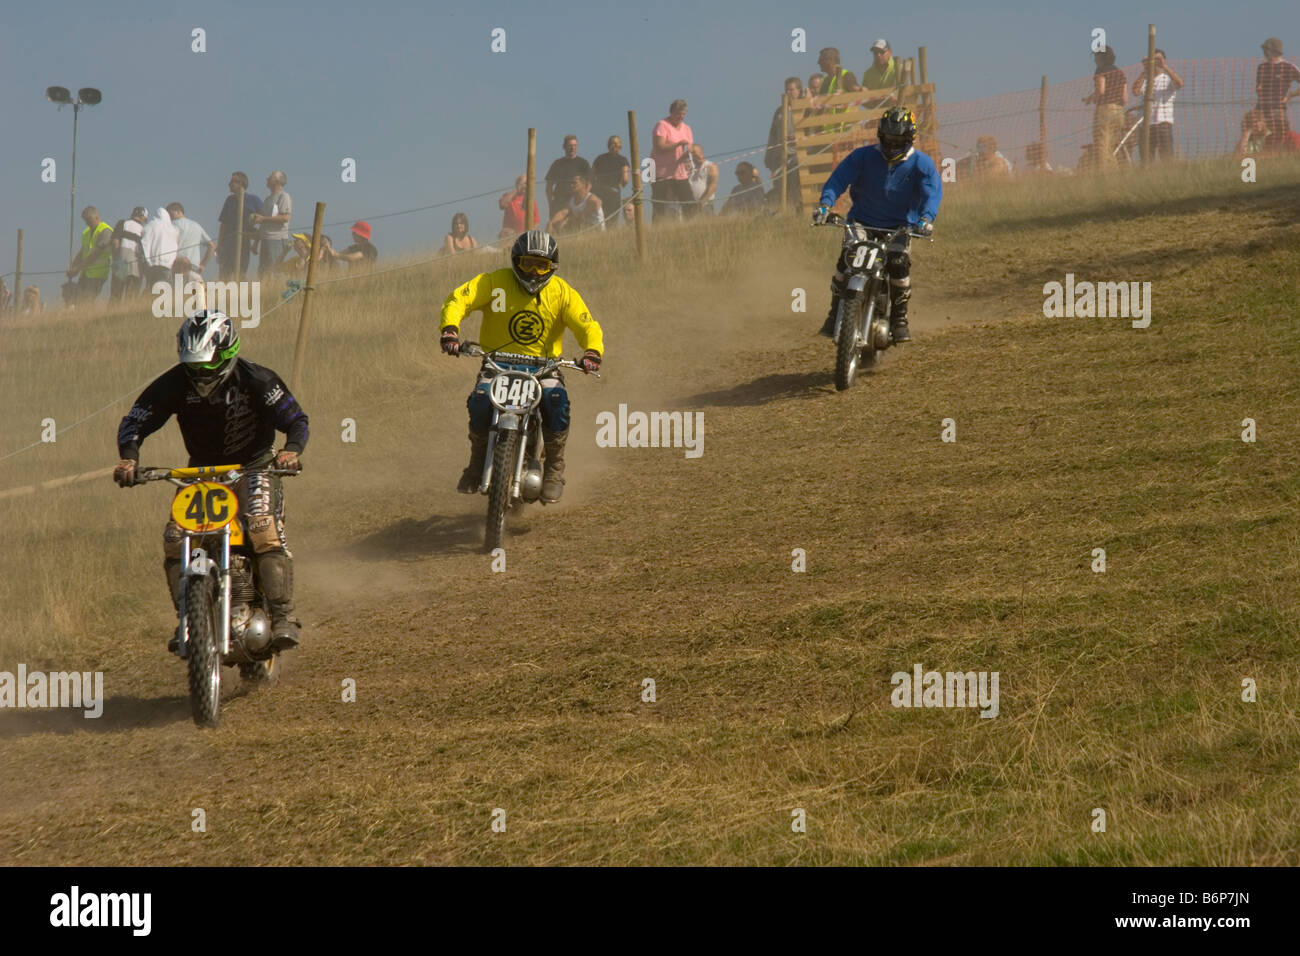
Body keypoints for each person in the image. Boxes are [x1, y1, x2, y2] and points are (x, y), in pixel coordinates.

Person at [113, 310, 309, 652]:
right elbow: (136, 420)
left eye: (206, 365)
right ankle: (188, 618)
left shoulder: (258, 379)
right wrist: (130, 457)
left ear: (228, 352)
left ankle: (282, 616)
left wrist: (291, 451)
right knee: (175, 538)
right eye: (193, 365)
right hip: (201, 471)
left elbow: (296, 420)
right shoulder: (174, 383)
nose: (200, 373)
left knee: (261, 527)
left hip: (256, 465)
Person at [438, 231, 603, 503]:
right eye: (528, 264)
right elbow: (459, 299)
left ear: (553, 267)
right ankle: (477, 461)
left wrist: (593, 351)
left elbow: (587, 324)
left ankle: (553, 468)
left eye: (542, 266)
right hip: (496, 363)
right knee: (480, 400)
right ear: (516, 261)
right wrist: (450, 330)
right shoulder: (493, 282)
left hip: (544, 367)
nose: (535, 273)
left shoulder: (563, 292)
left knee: (555, 399)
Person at [811, 107, 941, 344]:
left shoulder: (922, 164)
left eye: (898, 141)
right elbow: (837, 180)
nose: (891, 146)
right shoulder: (861, 157)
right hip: (861, 221)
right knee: (846, 261)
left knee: (898, 263)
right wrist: (825, 205)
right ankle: (833, 314)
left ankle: (900, 319)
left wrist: (926, 219)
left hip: (901, 226)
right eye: (888, 140)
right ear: (880, 136)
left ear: (909, 139)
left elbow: (932, 194)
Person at [1131, 49, 1183, 162]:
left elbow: (1179, 83)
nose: (1155, 63)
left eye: (1157, 60)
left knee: (1167, 158)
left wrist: (1164, 66)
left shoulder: (1167, 78)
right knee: (1146, 160)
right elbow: (1135, 91)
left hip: (1162, 123)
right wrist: (1145, 71)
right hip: (1145, 125)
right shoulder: (1145, 80)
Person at [1082, 46, 1127, 169]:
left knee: (1101, 143)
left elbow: (1101, 90)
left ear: (1101, 57)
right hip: (1119, 111)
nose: (1095, 59)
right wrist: (1090, 98)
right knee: (1111, 145)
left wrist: (1093, 98)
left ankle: (1103, 173)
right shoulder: (1120, 72)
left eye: (1096, 56)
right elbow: (1124, 98)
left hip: (1105, 110)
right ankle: (1114, 172)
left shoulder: (1100, 69)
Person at [651, 99, 695, 222]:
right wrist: (677, 144)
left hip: (680, 173)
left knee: (689, 203)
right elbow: (659, 147)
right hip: (662, 174)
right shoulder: (662, 125)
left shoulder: (687, 129)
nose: (680, 117)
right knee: (660, 207)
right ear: (671, 113)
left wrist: (689, 152)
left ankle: (691, 227)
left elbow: (689, 146)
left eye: (683, 114)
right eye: (678, 114)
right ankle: (656, 231)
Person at [766, 77, 804, 211]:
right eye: (786, 90)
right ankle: (784, 212)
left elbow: (810, 130)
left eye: (792, 89)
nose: (789, 92)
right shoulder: (780, 111)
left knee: (796, 187)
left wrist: (798, 137)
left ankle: (797, 212)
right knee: (780, 188)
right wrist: (768, 156)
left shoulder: (804, 108)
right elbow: (772, 134)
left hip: (798, 155)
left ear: (799, 91)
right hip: (779, 156)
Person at [217, 171, 263, 280]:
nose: (230, 184)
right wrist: (219, 244)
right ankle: (225, 295)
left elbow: (263, 219)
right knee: (225, 272)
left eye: (233, 181)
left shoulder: (253, 200)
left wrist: (256, 240)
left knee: (241, 271)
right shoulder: (230, 200)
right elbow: (223, 224)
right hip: (228, 241)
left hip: (244, 240)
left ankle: (241, 294)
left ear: (241, 183)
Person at [65, 206, 114, 303]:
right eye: (85, 220)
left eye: (88, 219)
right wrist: (72, 266)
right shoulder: (86, 232)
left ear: (96, 217)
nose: (87, 223)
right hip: (85, 273)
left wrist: (77, 269)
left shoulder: (105, 231)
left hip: (98, 273)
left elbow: (94, 255)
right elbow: (82, 252)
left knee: (87, 300)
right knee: (78, 301)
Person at [1256, 38, 1300, 138]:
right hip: (1260, 108)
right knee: (1257, 134)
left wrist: (1291, 95)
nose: (1264, 52)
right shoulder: (1261, 67)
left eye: (1266, 49)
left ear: (1273, 51)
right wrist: (1259, 89)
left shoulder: (1288, 67)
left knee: (1280, 136)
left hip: (1277, 109)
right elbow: (1258, 86)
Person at [251, 170, 292, 277]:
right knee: (263, 272)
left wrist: (263, 218)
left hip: (277, 239)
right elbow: (262, 222)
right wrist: (256, 243)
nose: (267, 179)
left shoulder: (284, 196)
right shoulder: (267, 199)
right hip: (265, 239)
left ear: (277, 181)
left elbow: (285, 217)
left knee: (275, 271)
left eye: (270, 177)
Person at [544, 136, 591, 222]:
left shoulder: (583, 163)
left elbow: (589, 183)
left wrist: (583, 200)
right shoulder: (557, 163)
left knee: (574, 228)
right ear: (564, 146)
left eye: (575, 145)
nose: (572, 148)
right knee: (555, 226)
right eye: (570, 145)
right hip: (559, 201)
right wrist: (550, 203)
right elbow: (549, 186)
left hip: (575, 202)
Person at [591, 136, 630, 229]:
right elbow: (625, 179)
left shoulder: (599, 159)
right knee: (612, 222)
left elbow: (591, 176)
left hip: (598, 193)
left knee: (598, 220)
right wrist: (619, 186)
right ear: (620, 146)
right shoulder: (623, 160)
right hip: (613, 193)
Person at [110, 206, 148, 300]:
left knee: (116, 293)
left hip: (121, 262)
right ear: (143, 217)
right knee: (131, 295)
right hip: (136, 266)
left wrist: (115, 259)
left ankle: (113, 312)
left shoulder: (123, 223)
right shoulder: (144, 230)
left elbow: (115, 242)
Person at [167, 203, 216, 275]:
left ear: (178, 211)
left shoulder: (170, 225)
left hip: (177, 266)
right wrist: (202, 265)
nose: (169, 217)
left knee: (177, 286)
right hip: (194, 268)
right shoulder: (196, 225)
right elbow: (212, 245)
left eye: (169, 214)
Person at [141, 206, 179, 290]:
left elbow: (144, 239)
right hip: (166, 264)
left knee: (151, 287)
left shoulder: (149, 226)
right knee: (165, 290)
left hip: (151, 264)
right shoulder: (173, 229)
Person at [860, 38, 899, 105]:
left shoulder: (898, 69)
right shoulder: (867, 74)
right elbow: (864, 100)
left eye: (881, 52)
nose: (878, 55)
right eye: (875, 52)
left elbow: (900, 94)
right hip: (875, 114)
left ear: (890, 52)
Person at [686, 145, 719, 214]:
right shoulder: (690, 169)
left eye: (694, 152)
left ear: (701, 153)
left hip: (705, 205)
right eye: (690, 153)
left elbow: (713, 185)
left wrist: (702, 202)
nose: (691, 155)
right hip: (690, 206)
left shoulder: (711, 166)